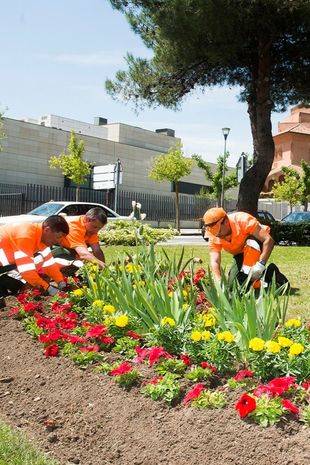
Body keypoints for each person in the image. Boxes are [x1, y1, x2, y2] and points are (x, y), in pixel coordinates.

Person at [203, 207, 288, 288]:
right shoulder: (214, 235)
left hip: (258, 242)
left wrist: (260, 264)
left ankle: (258, 274)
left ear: (225, 222)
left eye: (219, 231)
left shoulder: (242, 220)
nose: (217, 235)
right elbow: (215, 260)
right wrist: (218, 280)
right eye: (214, 233)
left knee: (246, 275)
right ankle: (270, 273)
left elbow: (268, 240)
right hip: (241, 252)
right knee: (235, 285)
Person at [0, 215, 69, 308]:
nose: (58, 241)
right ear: (47, 230)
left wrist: (61, 282)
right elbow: (26, 271)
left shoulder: (42, 237)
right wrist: (48, 288)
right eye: (58, 237)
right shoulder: (26, 235)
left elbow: (49, 264)